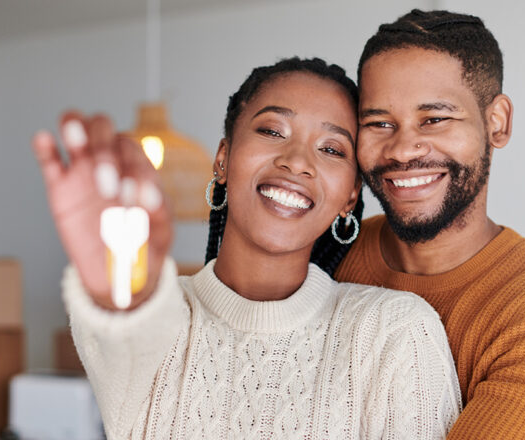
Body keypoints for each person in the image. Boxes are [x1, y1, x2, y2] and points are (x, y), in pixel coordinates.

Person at [31, 58, 461, 439]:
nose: (297, 161)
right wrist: (117, 275)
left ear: (350, 195)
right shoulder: (157, 322)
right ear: (223, 158)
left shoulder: (396, 334)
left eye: (331, 149)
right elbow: (123, 318)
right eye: (273, 131)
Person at [334, 9, 525, 439]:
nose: (403, 149)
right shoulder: (324, 253)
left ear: (496, 122)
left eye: (435, 118)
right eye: (379, 123)